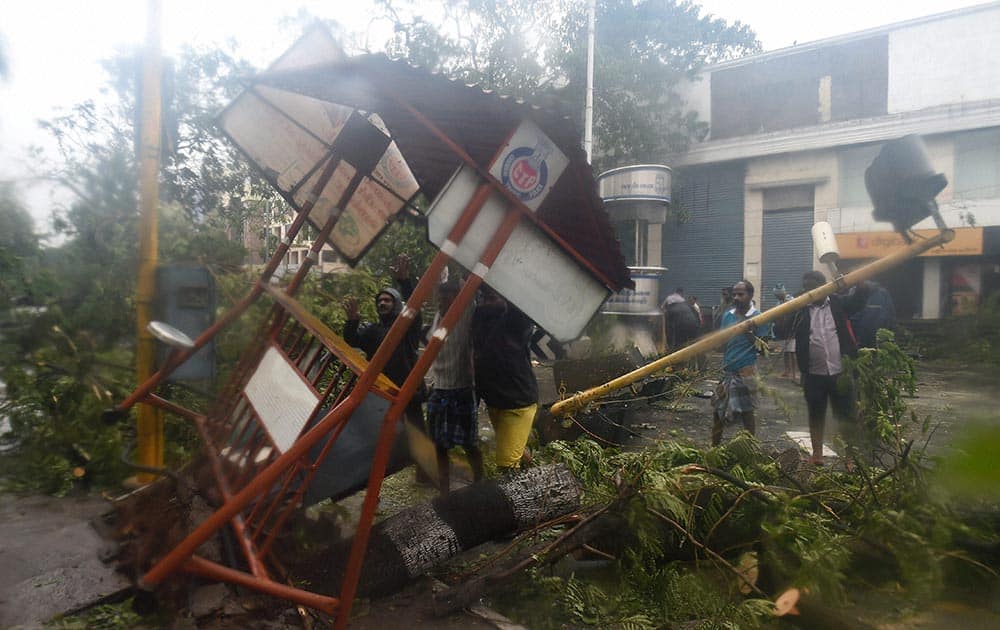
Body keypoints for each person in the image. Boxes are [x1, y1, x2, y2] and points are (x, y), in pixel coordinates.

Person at [792, 270, 870, 466]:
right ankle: (817, 455)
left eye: (814, 288)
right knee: (816, 413)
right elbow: (781, 329)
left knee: (846, 415)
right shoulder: (800, 309)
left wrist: (858, 281)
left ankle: (850, 458)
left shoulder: (838, 303)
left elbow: (859, 300)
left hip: (840, 372)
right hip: (813, 373)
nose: (811, 292)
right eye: (807, 289)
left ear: (824, 287)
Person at [343, 254, 426, 432]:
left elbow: (415, 309)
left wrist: (404, 282)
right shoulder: (373, 330)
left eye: (387, 300)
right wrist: (352, 322)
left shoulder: (407, 326)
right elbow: (352, 340)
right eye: (380, 301)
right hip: (382, 393)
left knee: (418, 438)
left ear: (396, 304)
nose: (382, 303)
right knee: (385, 436)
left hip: (408, 392)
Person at [425, 277, 483, 496]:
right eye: (440, 296)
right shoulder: (437, 319)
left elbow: (470, 292)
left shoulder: (466, 315)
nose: (441, 300)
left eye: (447, 296)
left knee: (469, 443)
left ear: (456, 298)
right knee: (439, 446)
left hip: (462, 389)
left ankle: (479, 484)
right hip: (438, 390)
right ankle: (445, 491)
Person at [472, 286, 538, 472]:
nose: (488, 299)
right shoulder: (479, 321)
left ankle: (522, 498)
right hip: (495, 403)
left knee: (506, 467)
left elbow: (520, 303)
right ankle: (537, 472)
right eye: (485, 295)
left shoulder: (515, 323)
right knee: (511, 449)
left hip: (517, 406)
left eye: (494, 294)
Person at [711, 280, 770, 446]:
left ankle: (750, 448)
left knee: (747, 413)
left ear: (750, 295)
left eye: (741, 294)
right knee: (718, 411)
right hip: (727, 371)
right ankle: (713, 450)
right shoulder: (727, 316)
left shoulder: (758, 317)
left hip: (746, 371)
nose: (736, 297)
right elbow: (722, 343)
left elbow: (764, 349)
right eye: (734, 294)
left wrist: (749, 332)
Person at [849, 280, 897, 349]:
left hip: (861, 341)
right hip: (880, 341)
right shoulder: (883, 293)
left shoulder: (853, 292)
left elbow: (851, 318)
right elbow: (891, 317)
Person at [771, 284, 799, 383]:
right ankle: (787, 370)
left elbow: (796, 314)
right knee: (786, 352)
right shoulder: (778, 303)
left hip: (791, 330)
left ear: (783, 293)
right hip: (782, 331)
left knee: (792, 352)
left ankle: (795, 373)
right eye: (776, 295)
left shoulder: (791, 300)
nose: (777, 297)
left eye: (778, 295)